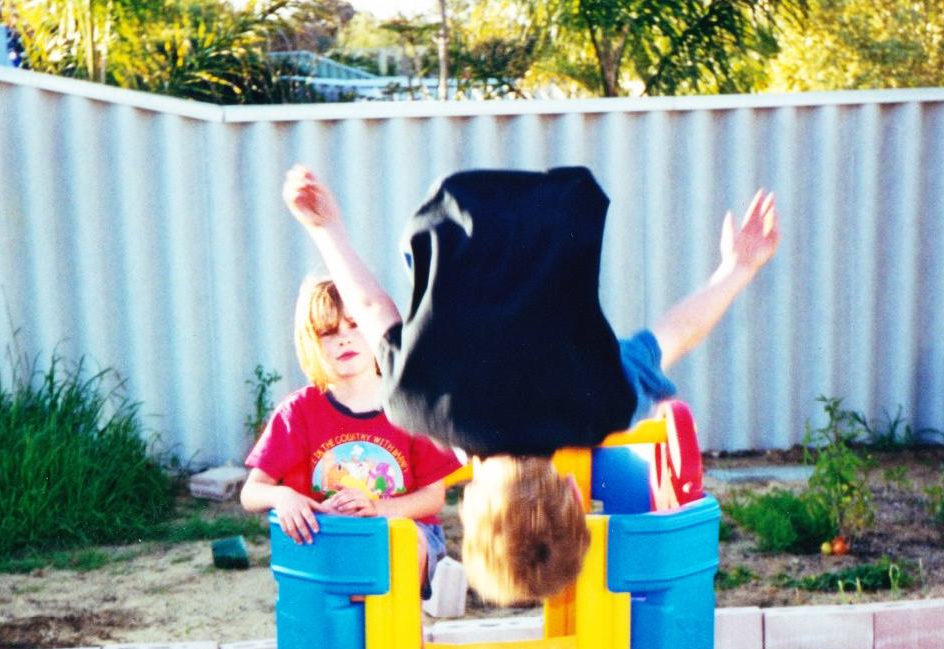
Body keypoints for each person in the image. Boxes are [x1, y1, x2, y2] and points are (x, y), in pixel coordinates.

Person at [280, 163, 779, 604]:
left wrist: (737, 269)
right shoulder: (417, 405)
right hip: (452, 214)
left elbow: (669, 338)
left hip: (562, 208)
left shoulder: (601, 407)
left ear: (572, 494)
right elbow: (371, 308)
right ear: (469, 507)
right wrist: (326, 228)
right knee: (430, 314)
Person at [239, 272, 462, 591]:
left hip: (404, 530)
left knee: (397, 549)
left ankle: (395, 622)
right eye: (328, 332)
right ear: (311, 343)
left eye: (355, 325)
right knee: (344, 592)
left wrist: (377, 509)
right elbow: (251, 493)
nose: (344, 339)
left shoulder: (410, 403)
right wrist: (283, 496)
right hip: (331, 534)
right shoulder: (298, 412)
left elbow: (432, 497)